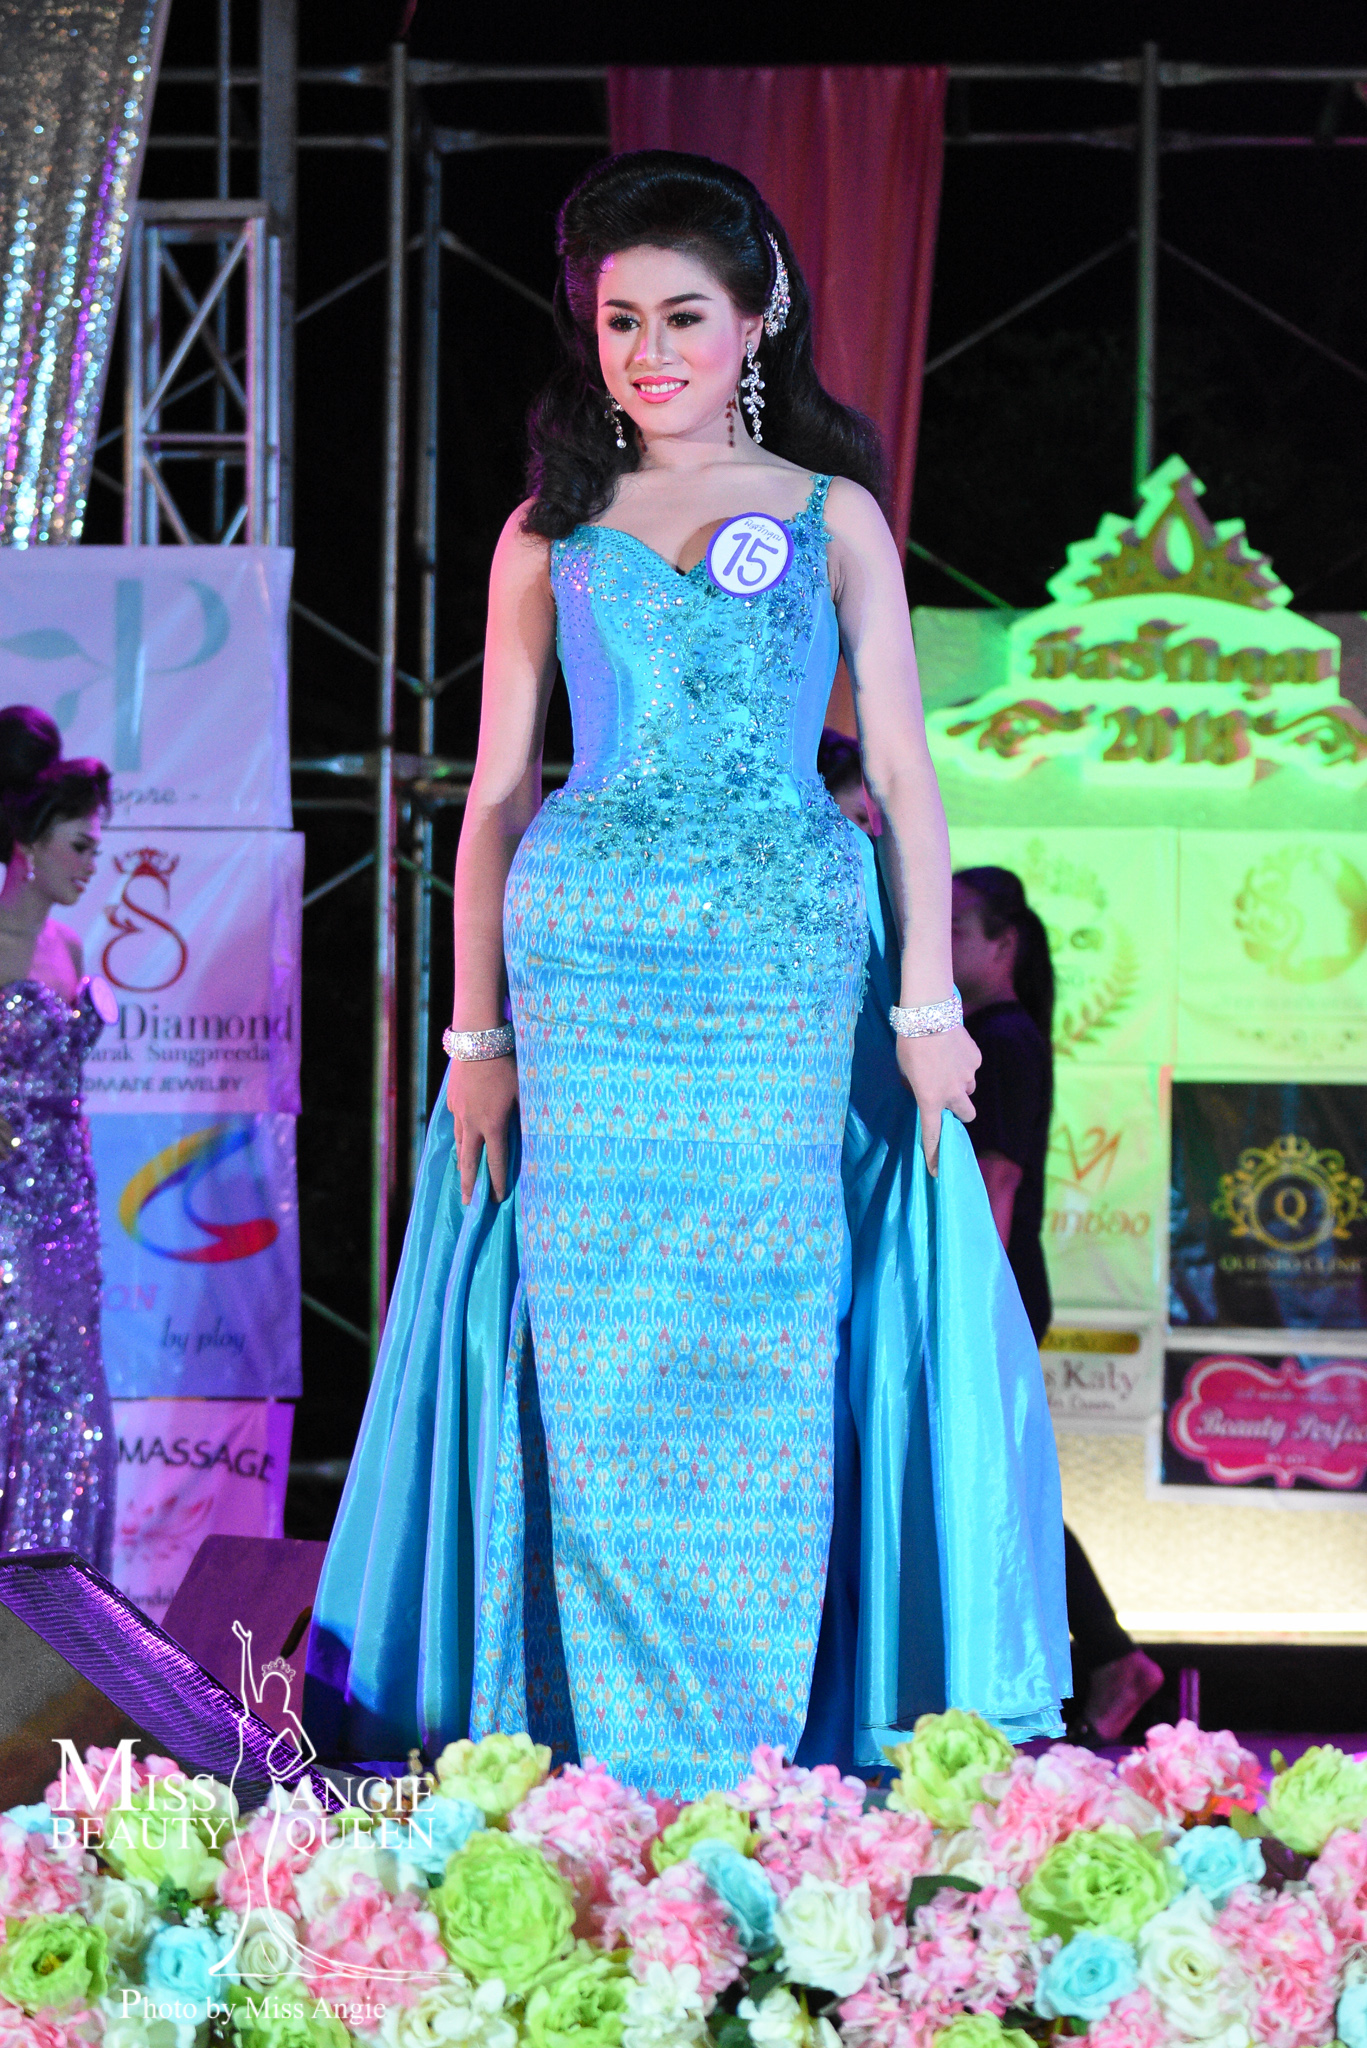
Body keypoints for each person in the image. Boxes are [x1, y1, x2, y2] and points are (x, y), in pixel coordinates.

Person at [307, 152, 1070, 1791]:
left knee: (766, 1317)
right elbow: (495, 798)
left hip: (778, 960)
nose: (647, 352)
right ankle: (585, 1756)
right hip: (588, 965)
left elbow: (905, 775)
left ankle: (756, 1761)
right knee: (591, 1334)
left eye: (681, 317)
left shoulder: (828, 514)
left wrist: (925, 1006)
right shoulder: (548, 530)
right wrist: (474, 1035)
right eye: (618, 321)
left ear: (754, 321)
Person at [951, 865, 1162, 1743]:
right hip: (990, 1288)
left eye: (955, 929)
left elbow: (995, 1182)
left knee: (1005, 1485)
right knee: (999, 1483)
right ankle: (1103, 1655)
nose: (936, 943)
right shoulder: (987, 1035)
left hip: (989, 1290)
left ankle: (1107, 1656)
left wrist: (971, 1309)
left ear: (1003, 945)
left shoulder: (1000, 1040)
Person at [0, 706, 116, 1571]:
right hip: (5, 1206)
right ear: (28, 845)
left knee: (66, 1392)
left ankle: (52, 1600)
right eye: (78, 846)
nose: (89, 865)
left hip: (66, 1208)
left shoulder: (68, 946)